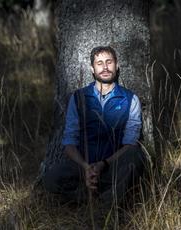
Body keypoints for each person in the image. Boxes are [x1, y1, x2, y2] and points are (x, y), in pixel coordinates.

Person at [43, 46, 146, 206]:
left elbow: (130, 144)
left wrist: (103, 164)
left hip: (113, 167)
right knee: (50, 178)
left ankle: (109, 202)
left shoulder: (130, 99)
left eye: (109, 62)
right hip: (83, 167)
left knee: (135, 155)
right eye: (99, 63)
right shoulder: (78, 98)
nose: (105, 67)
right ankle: (87, 199)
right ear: (92, 69)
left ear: (117, 66)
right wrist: (86, 168)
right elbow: (69, 142)